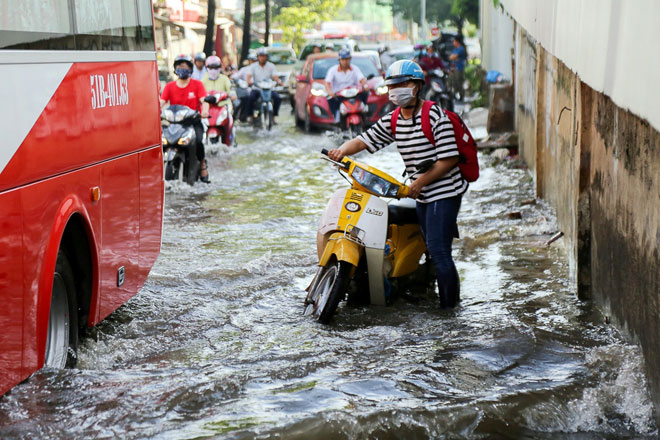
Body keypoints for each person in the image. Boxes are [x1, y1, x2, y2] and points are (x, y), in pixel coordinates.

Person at [327, 60, 467, 308]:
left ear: (416, 86)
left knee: (440, 252)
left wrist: (420, 182)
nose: (396, 89)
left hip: (443, 193)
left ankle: (450, 311)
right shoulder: (393, 119)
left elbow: (450, 158)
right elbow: (364, 140)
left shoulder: (435, 115)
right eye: (392, 85)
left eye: (403, 84)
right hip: (421, 194)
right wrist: (341, 151)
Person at [160, 54, 211, 183]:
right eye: (179, 66)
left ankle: (203, 164)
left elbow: (204, 100)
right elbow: (161, 102)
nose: (182, 69)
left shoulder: (197, 85)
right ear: (175, 69)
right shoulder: (170, 86)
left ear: (190, 68)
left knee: (199, 141)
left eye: (185, 66)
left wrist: (204, 111)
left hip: (193, 122)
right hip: (174, 123)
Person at [324, 48, 369, 123]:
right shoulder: (333, 70)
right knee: (330, 99)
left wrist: (365, 86)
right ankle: (336, 116)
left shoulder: (355, 69)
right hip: (339, 96)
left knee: (365, 93)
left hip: (353, 94)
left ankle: (364, 115)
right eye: (343, 59)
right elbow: (327, 83)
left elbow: (362, 79)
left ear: (350, 59)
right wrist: (330, 92)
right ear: (339, 60)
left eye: (347, 59)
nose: (345, 61)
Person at [246, 47, 284, 123]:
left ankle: (273, 117)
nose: (262, 58)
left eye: (264, 56)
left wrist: (279, 81)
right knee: (250, 98)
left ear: (267, 57)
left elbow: (275, 76)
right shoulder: (253, 66)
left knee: (277, 98)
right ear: (258, 57)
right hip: (257, 88)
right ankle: (251, 116)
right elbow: (249, 76)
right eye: (261, 56)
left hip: (268, 88)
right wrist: (249, 82)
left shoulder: (271, 66)